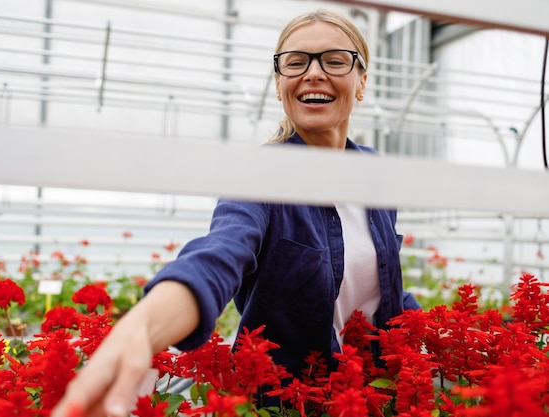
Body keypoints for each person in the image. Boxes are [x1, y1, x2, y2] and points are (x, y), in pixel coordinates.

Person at [52, 8, 420, 417]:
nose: (313, 73)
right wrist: (140, 330)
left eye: (334, 61)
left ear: (362, 81)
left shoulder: (374, 175)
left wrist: (445, 334)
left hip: (375, 395)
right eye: (296, 63)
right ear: (280, 83)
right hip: (289, 402)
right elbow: (218, 256)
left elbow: (378, 286)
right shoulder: (259, 176)